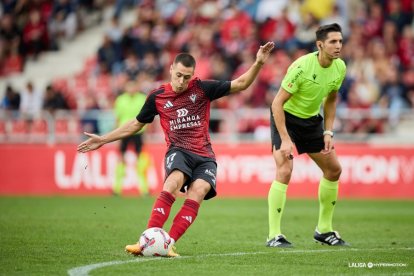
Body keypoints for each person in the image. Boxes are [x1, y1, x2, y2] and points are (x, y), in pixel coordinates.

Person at [77, 41, 275, 256]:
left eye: (187, 77)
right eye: (178, 75)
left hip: (205, 156)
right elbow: (136, 124)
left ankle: (168, 244)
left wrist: (258, 63)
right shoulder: (158, 97)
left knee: (198, 192)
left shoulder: (202, 89)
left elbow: (241, 84)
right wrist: (103, 140)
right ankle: (145, 241)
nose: (181, 81)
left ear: (193, 75)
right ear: (171, 69)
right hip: (178, 151)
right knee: (172, 183)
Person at [267, 23, 348, 247]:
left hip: (311, 120)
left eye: (340, 41)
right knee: (285, 168)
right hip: (286, 117)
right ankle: (274, 235)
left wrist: (329, 131)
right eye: (333, 41)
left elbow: (331, 99)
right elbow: (277, 103)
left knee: (334, 170)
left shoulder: (340, 67)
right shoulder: (302, 66)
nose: (338, 46)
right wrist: (285, 138)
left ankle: (324, 230)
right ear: (320, 45)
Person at [113, 80, 149, 196]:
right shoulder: (120, 100)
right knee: (122, 158)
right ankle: (117, 189)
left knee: (140, 159)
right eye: (129, 86)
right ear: (126, 87)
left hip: (139, 131)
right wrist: (116, 135)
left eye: (133, 86)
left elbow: (149, 115)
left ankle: (144, 189)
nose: (131, 89)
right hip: (124, 132)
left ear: (136, 87)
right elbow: (117, 118)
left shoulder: (142, 98)